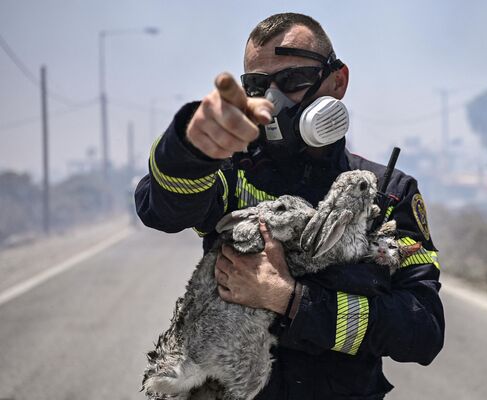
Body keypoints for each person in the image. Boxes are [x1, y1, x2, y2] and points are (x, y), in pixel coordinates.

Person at [135, 12, 444, 400]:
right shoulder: (231, 170)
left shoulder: (383, 193)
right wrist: (188, 150)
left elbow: (423, 331)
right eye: (258, 85)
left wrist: (289, 299)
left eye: (293, 81)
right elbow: (160, 210)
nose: (273, 100)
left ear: (338, 81)